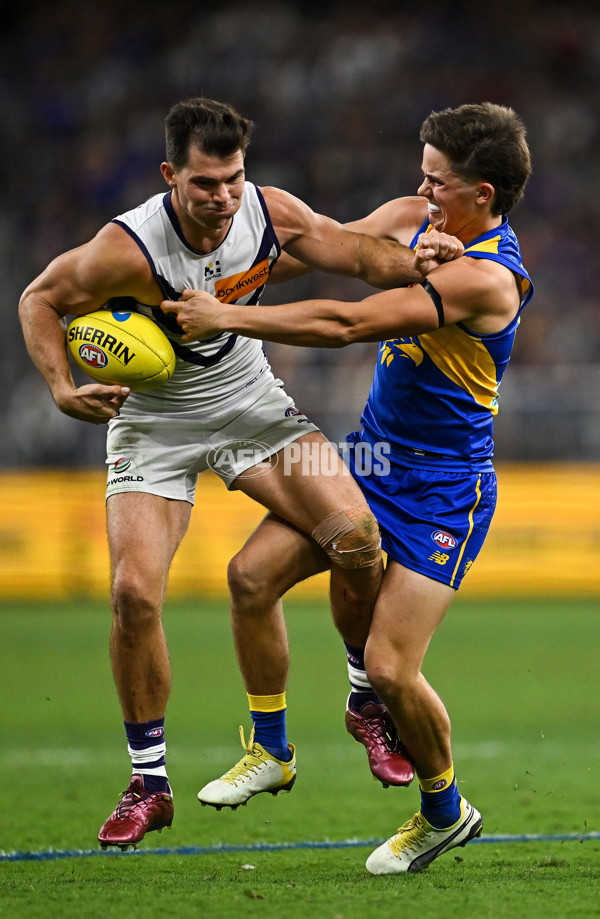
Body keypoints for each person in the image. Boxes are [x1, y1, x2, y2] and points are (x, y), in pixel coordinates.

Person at [18, 97, 461, 850]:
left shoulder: (267, 211)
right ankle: (148, 781)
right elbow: (41, 298)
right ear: (170, 178)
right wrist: (62, 387)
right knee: (131, 594)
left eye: (232, 179)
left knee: (358, 538)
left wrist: (412, 262)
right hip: (152, 423)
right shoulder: (127, 248)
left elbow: (353, 252)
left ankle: (363, 703)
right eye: (204, 184)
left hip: (249, 402)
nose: (222, 197)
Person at [160, 101, 534, 874]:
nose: (419, 192)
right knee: (249, 575)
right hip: (365, 460)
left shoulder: (490, 280)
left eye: (437, 182)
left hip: (442, 489)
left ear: (484, 196)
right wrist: (201, 270)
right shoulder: (409, 217)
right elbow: (313, 253)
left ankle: (442, 811)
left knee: (398, 669)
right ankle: (271, 749)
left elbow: (346, 323)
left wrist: (225, 315)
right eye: (421, 174)